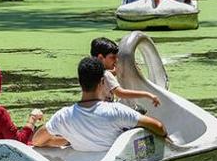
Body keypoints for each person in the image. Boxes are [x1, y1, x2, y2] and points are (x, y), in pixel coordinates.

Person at [32, 57, 168, 152]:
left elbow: (37, 141)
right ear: (103, 81)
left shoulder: (63, 116)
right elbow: (159, 127)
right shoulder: (116, 111)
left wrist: (68, 139)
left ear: (80, 82)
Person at [90, 37, 161, 106]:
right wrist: (147, 94)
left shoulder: (92, 72)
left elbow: (107, 76)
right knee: (139, 110)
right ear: (100, 58)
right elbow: (120, 93)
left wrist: (123, 69)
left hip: (95, 108)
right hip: (106, 111)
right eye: (113, 57)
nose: (116, 60)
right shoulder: (107, 75)